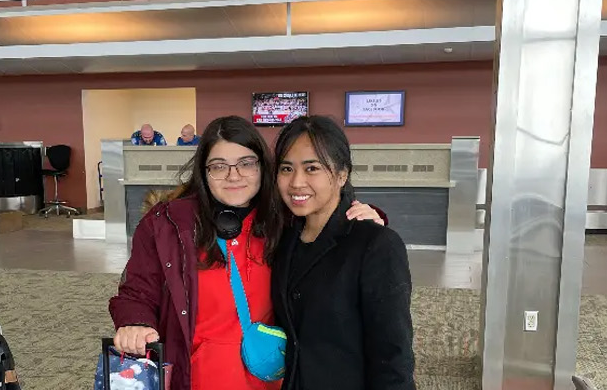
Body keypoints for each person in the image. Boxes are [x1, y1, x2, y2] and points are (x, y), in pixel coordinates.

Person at [109, 116, 383, 390]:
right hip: (196, 378)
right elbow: (137, 290)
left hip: (271, 378)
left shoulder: (285, 219)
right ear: (203, 172)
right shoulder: (167, 225)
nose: (234, 175)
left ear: (264, 167)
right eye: (219, 166)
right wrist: (135, 322)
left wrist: (362, 217)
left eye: (246, 163)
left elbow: (329, 228)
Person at [268, 115, 414, 390]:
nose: (296, 182)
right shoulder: (284, 239)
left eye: (312, 168)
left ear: (341, 175)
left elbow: (393, 356)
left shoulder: (376, 245)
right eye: (286, 169)